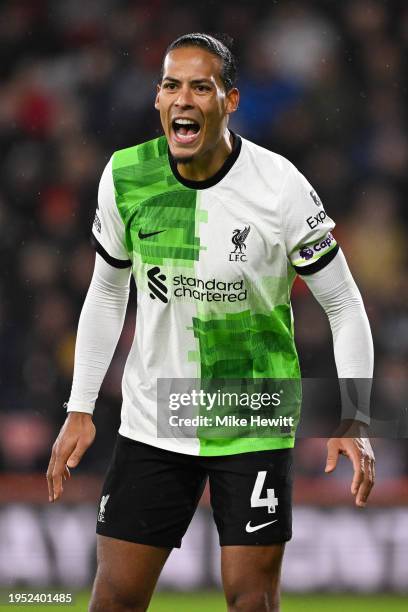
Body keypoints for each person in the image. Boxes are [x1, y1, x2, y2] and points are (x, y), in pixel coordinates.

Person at [46, 33, 375, 612]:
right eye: (172, 85)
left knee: (251, 601)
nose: (183, 98)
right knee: (114, 600)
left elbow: (345, 304)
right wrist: (80, 406)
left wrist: (356, 416)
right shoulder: (128, 177)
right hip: (154, 415)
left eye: (202, 86)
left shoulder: (281, 188)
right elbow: (105, 292)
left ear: (230, 100)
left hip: (251, 411)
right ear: (157, 99)